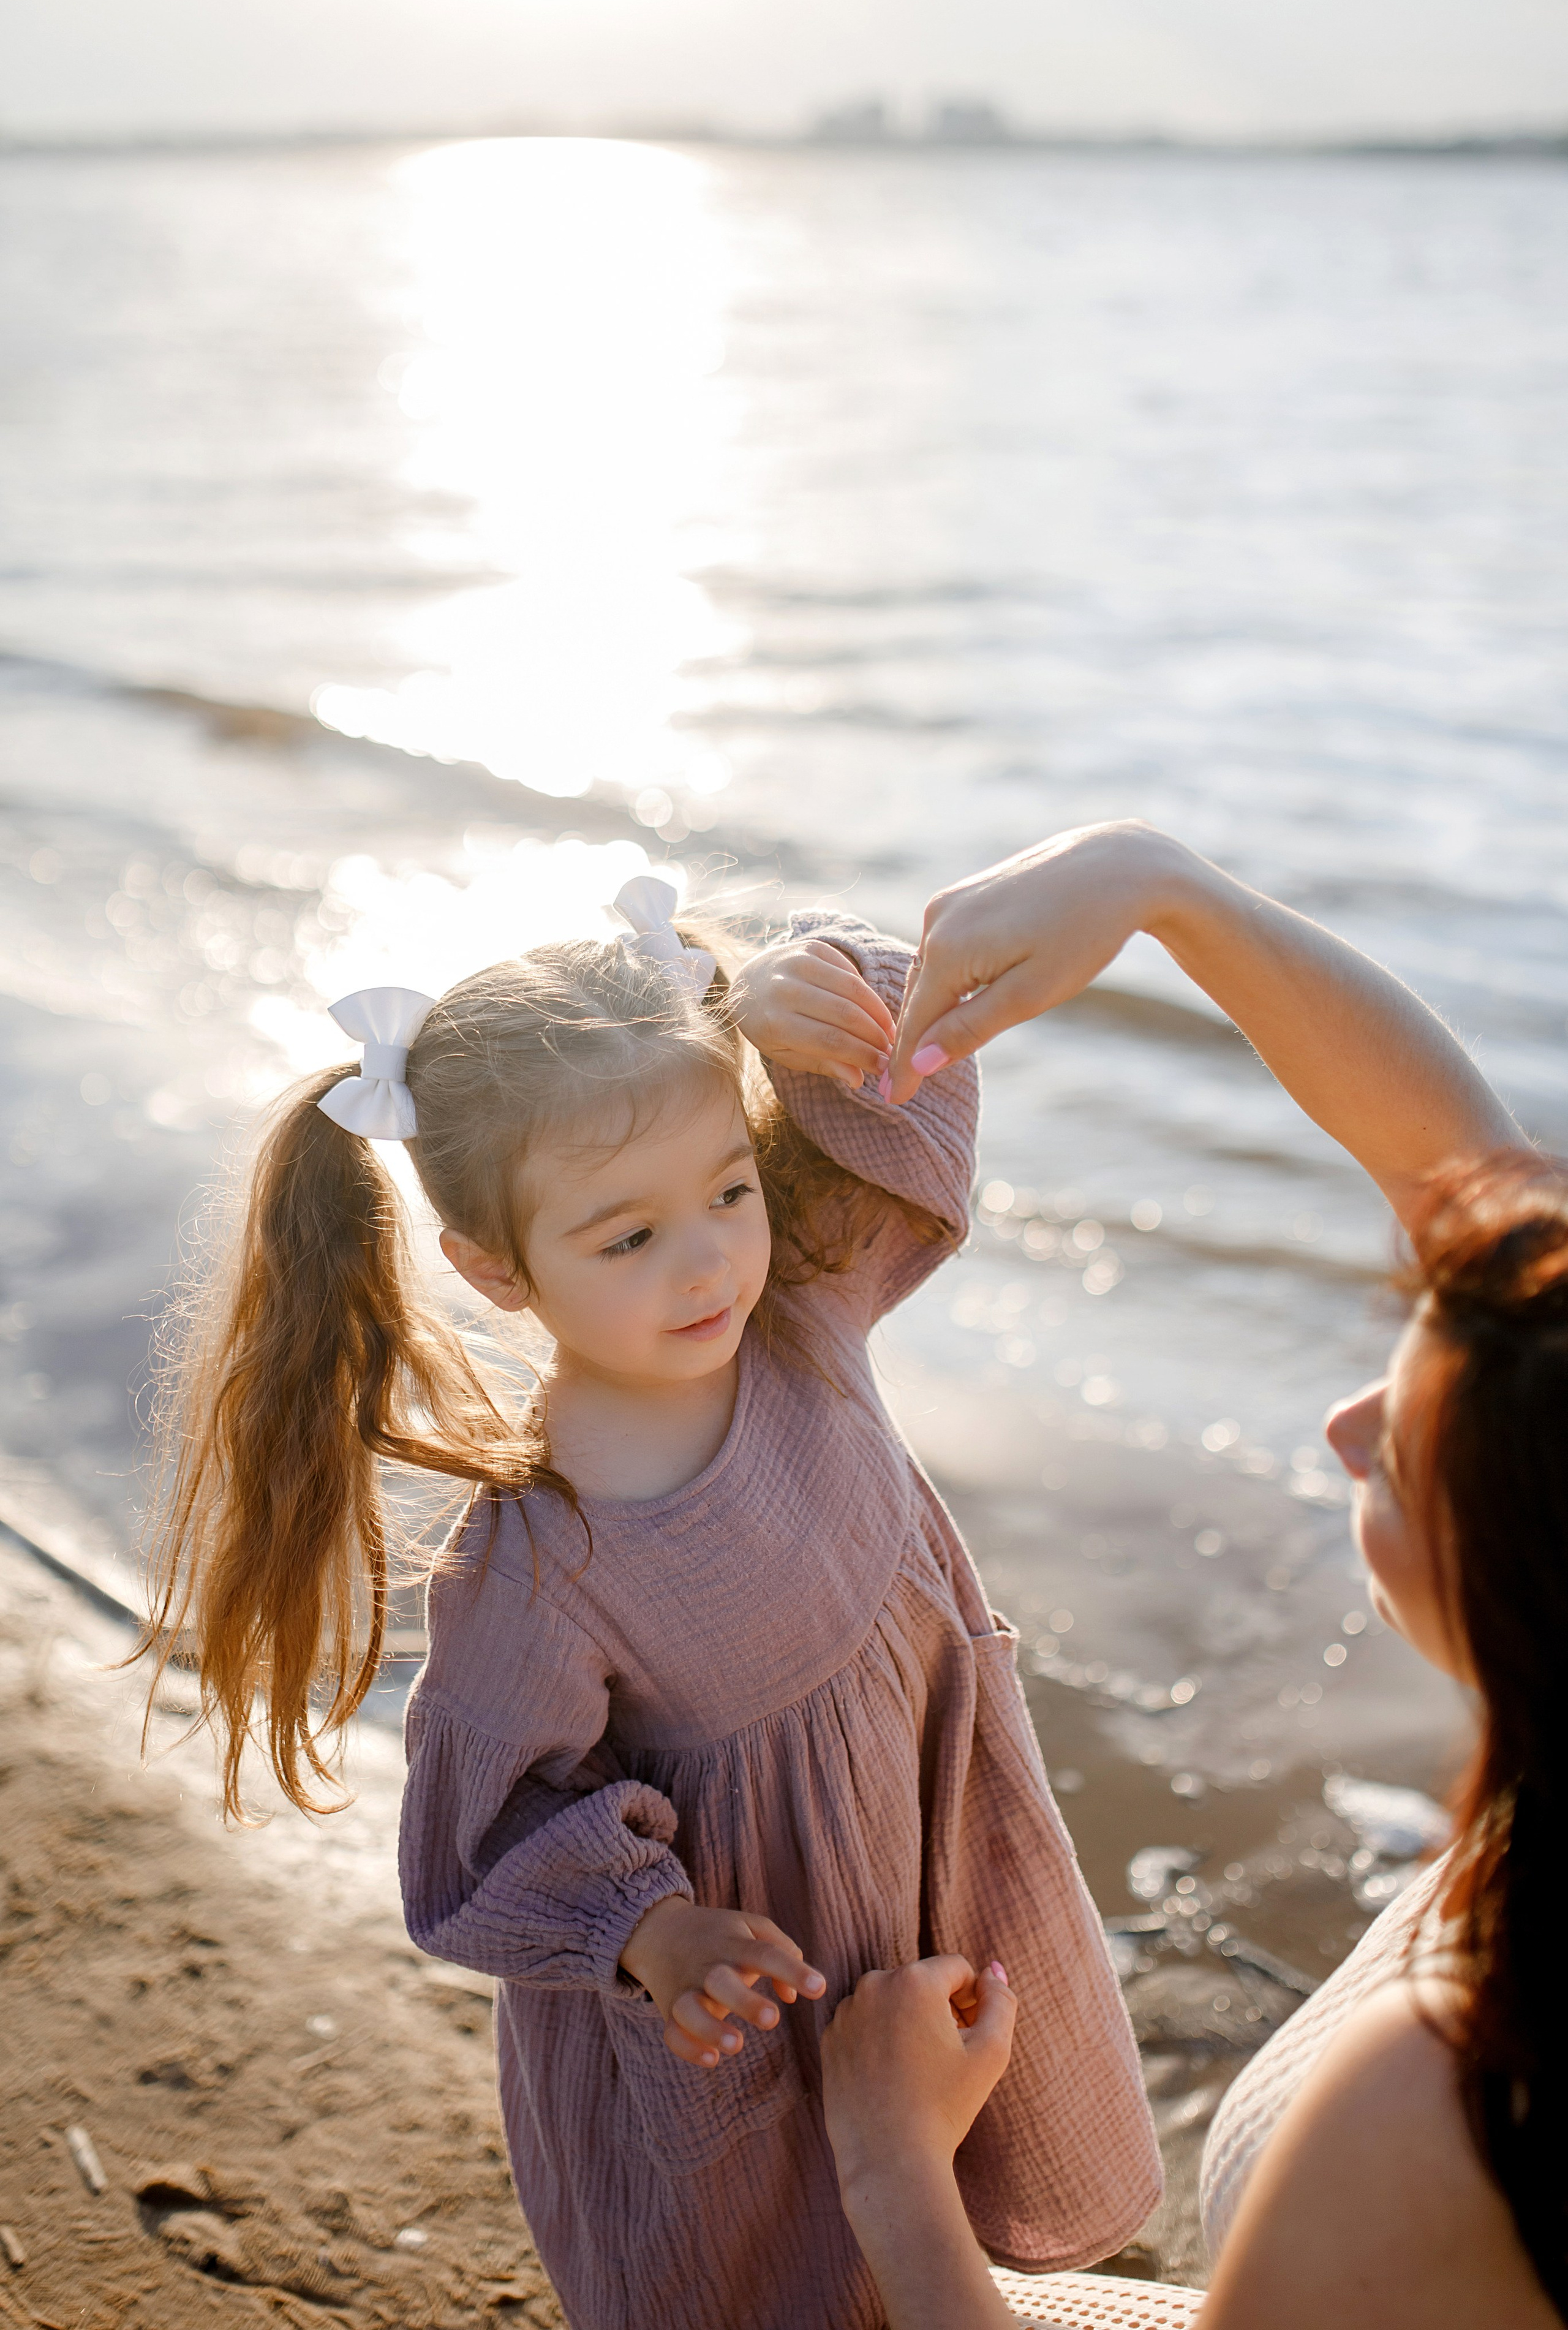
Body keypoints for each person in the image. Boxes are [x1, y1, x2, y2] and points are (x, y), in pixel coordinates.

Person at [140, 877, 1158, 2330]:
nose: (706, 1261)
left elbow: (921, 1079)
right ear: (493, 1268)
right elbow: (480, 1829)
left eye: (729, 1191)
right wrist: (650, 1934)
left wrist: (771, 1002)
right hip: (737, 1995)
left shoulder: (802, 1313)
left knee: (922, 2199)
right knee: (768, 2272)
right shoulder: (536, 1554)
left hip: (917, 1874)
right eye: (626, 1239)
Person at [822, 822, 1568, 2329]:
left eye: (1399, 1455)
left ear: (1510, 1580)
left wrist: (891, 2161)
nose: (1340, 1427)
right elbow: (1454, 1170)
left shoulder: (1442, 2085)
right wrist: (1158, 889)